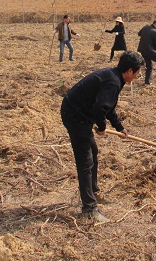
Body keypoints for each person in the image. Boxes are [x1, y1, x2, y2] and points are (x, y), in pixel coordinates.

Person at [60, 51, 145, 223]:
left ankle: (92, 192)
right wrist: (101, 127)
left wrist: (120, 127)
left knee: (93, 152)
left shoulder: (114, 77)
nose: (137, 76)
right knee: (85, 161)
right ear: (130, 71)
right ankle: (89, 208)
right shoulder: (113, 81)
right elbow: (100, 108)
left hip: (79, 114)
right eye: (137, 72)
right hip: (75, 115)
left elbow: (108, 106)